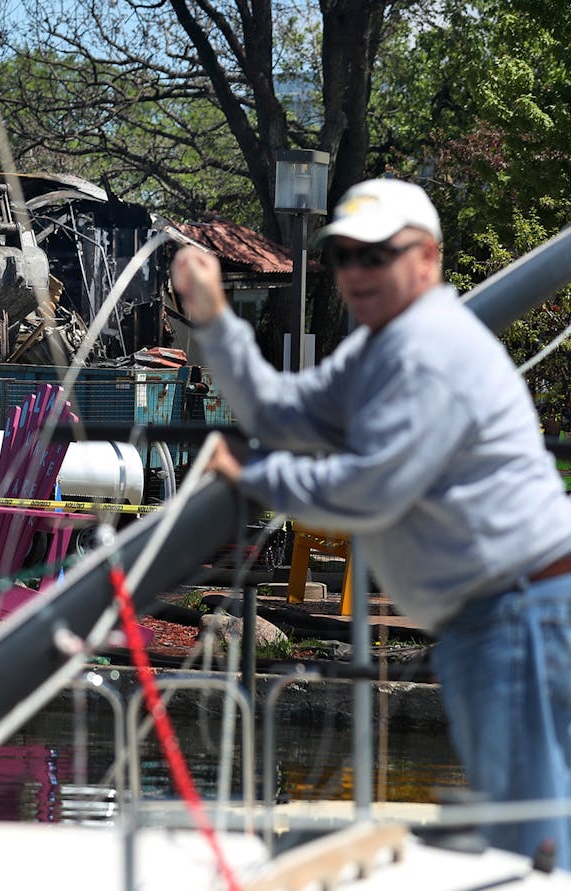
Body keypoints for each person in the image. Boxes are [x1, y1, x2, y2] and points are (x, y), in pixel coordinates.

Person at [171, 177, 571, 866]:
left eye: (375, 254)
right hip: (506, 612)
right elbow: (277, 413)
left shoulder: (427, 351)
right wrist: (212, 321)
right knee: (532, 828)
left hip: (521, 611)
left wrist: (253, 476)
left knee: (533, 838)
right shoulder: (382, 349)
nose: (356, 271)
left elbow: (368, 490)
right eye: (345, 256)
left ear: (428, 258)